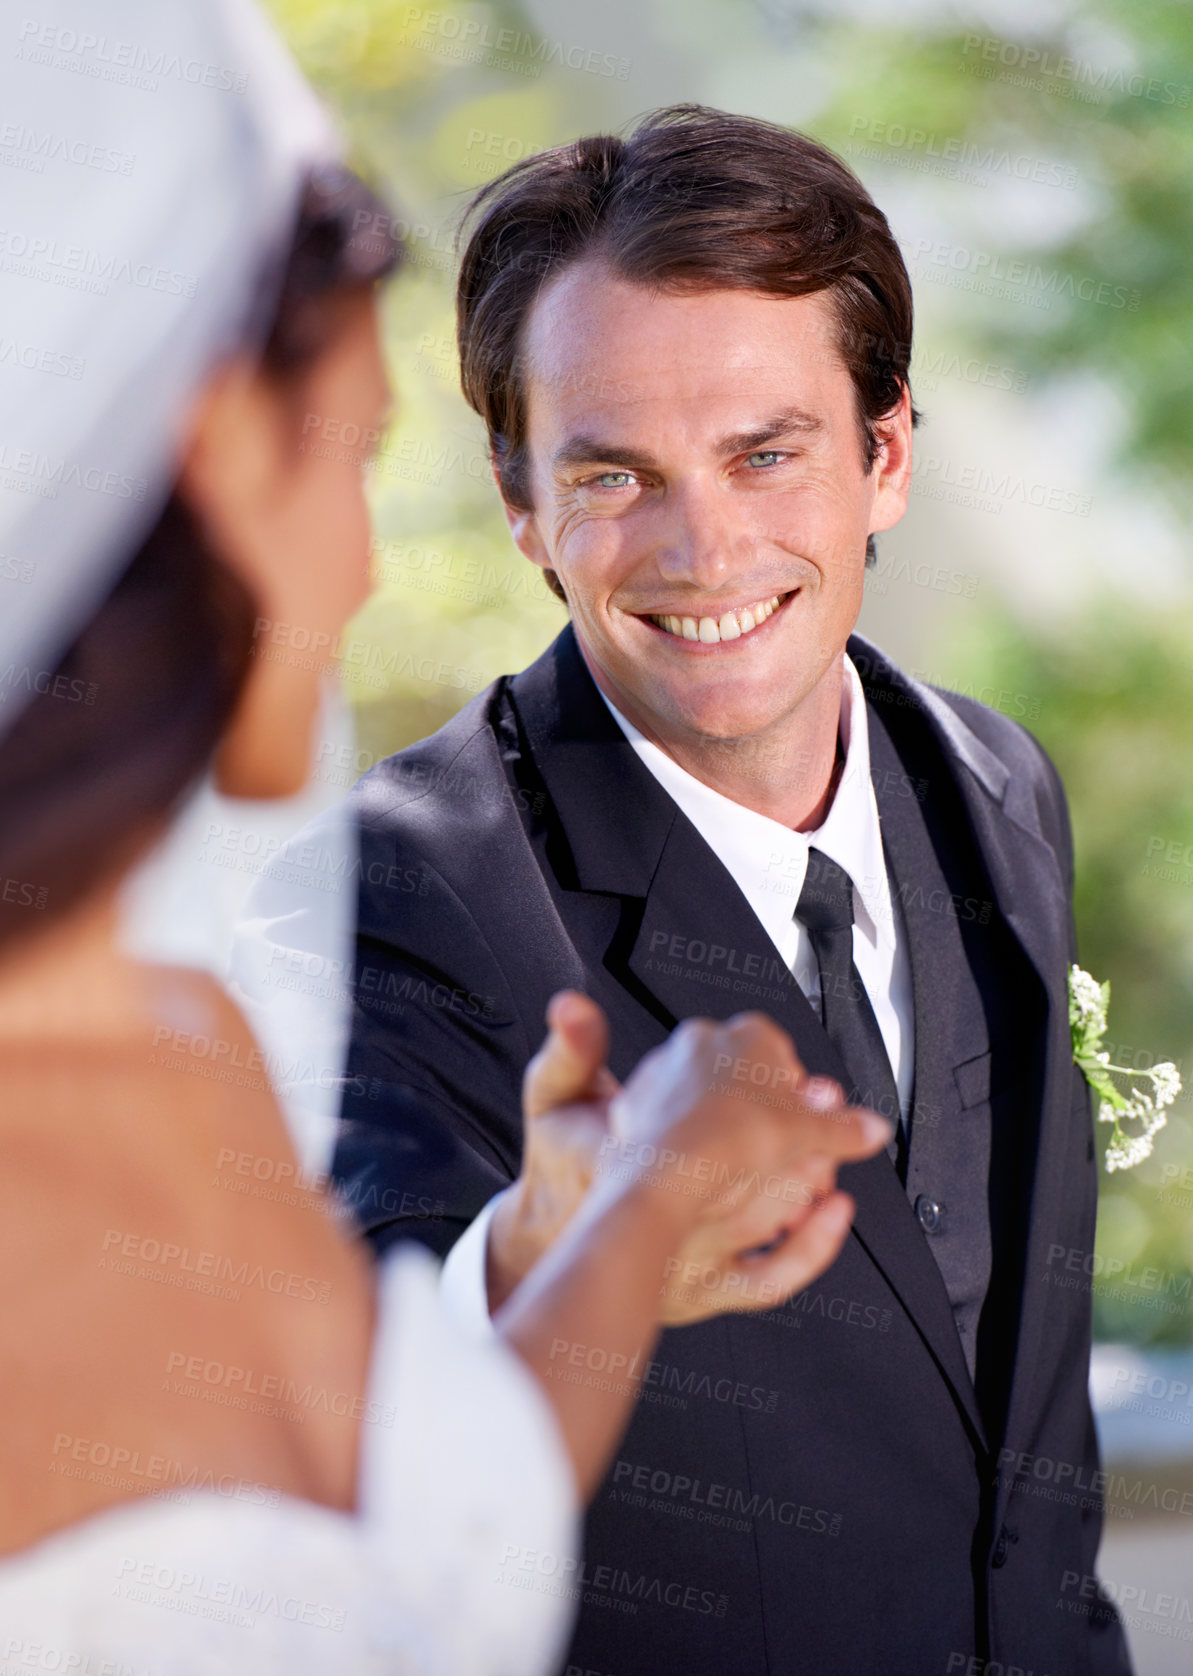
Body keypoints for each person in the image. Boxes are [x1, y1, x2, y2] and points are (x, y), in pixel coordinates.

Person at [0, 20, 889, 1674]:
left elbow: (411, 1543)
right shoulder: (352, 925)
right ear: (213, 464)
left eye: (766, 452)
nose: (352, 573)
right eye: (346, 463)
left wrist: (607, 1227)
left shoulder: (180, 1043)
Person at [316, 107, 1133, 1675]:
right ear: (518, 500)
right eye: (615, 474)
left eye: (765, 455)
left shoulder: (992, 781)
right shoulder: (398, 886)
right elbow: (361, 1371)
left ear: (884, 456)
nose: (703, 549)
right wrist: (553, 1254)